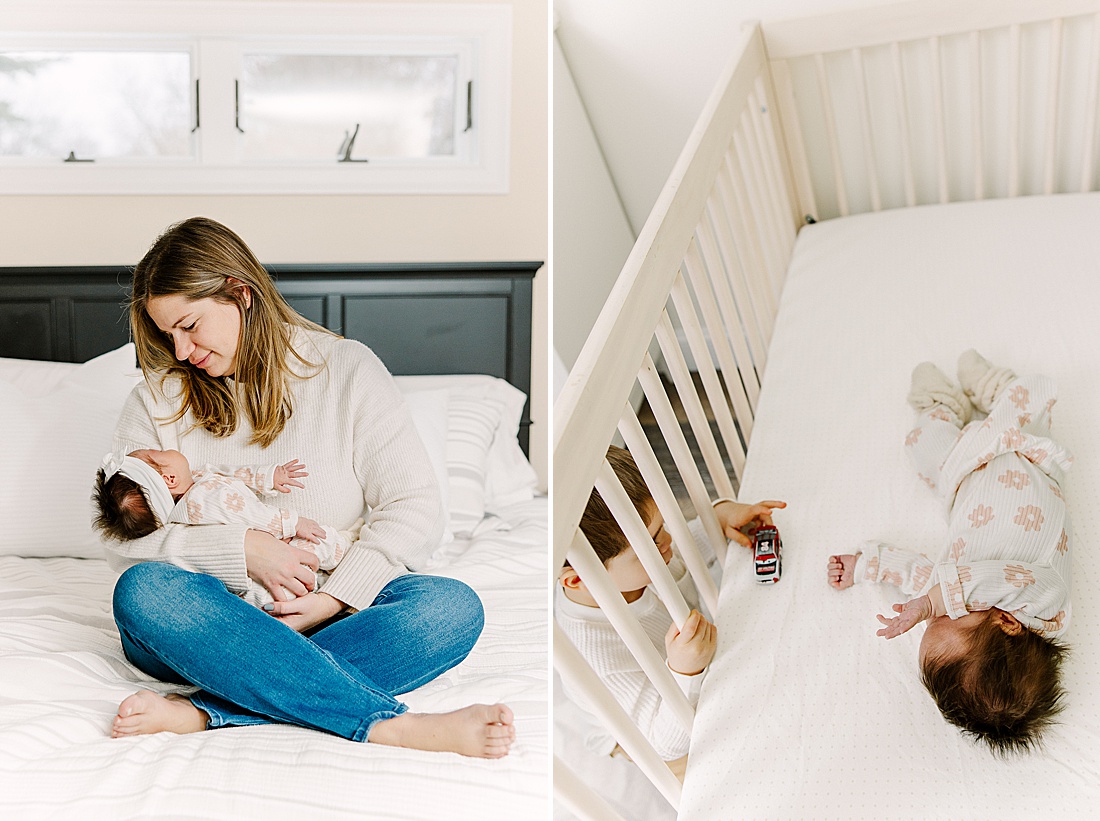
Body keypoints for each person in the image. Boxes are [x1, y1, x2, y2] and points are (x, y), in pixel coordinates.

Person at [106, 216, 513, 758]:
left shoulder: (347, 370)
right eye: (166, 335)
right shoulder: (153, 402)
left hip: (329, 611)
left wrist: (331, 598)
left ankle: (208, 709)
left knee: (449, 607)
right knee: (143, 593)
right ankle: (388, 726)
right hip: (206, 620)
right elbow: (125, 540)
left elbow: (413, 507)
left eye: (190, 325)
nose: (180, 351)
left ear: (240, 294)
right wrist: (243, 551)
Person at [827, 350, 1070, 755]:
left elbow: (922, 576)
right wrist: (933, 604)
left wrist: (868, 565)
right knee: (1031, 394)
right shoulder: (1046, 603)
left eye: (931, 618)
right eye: (946, 616)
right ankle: (994, 386)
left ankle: (943, 405)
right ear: (1008, 623)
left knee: (921, 445)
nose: (934, 609)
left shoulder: (950, 597)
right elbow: (986, 583)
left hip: (965, 474)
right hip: (1027, 455)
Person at [556, 445, 786, 764]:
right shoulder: (596, 655)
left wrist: (717, 518)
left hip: (678, 668)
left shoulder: (637, 564)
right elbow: (665, 743)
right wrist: (684, 670)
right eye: (650, 542)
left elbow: (681, 550)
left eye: (661, 526)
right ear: (580, 578)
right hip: (643, 734)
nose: (666, 540)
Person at [93, 449, 362, 607]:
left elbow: (227, 473)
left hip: (260, 571)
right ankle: (344, 556)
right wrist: (292, 522)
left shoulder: (198, 482)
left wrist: (267, 476)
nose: (165, 448)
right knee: (321, 541)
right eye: (158, 452)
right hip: (284, 543)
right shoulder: (205, 499)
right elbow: (255, 515)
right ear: (169, 478)